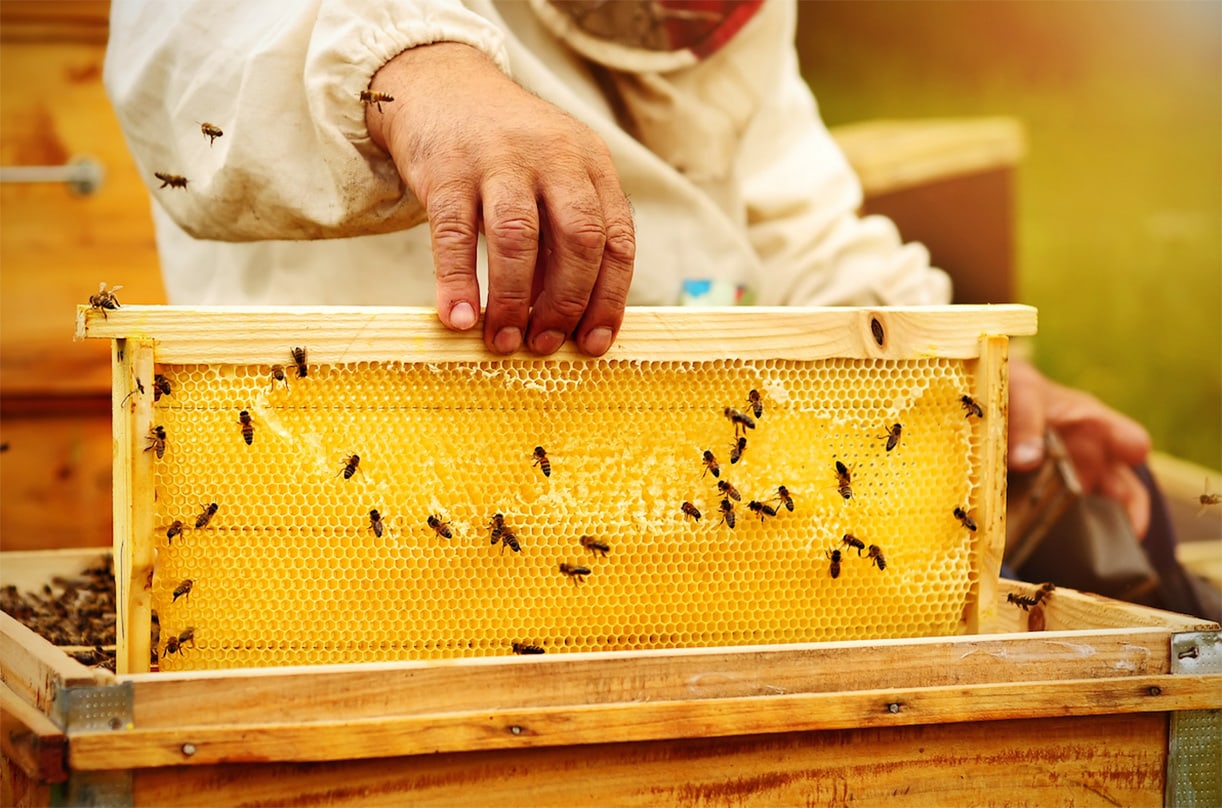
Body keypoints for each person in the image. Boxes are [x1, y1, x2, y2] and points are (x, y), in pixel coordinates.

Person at [102, 0, 1214, 618]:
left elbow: (795, 223)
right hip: (341, 559)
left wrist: (966, 373)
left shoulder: (737, 28)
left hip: (688, 563)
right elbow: (189, 34)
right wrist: (420, 75)